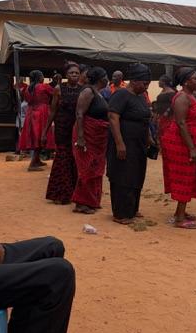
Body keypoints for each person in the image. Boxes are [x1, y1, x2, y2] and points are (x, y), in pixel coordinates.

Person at [163, 68, 196, 229]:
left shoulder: (191, 95)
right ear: (186, 82)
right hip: (182, 142)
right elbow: (181, 123)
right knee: (184, 176)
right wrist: (192, 148)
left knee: (189, 175)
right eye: (195, 78)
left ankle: (179, 212)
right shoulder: (182, 97)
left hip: (190, 140)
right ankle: (179, 220)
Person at [107, 64, 152, 224]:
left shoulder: (141, 96)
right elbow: (113, 117)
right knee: (123, 176)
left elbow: (144, 119)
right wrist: (120, 143)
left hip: (139, 144)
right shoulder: (121, 95)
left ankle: (132, 209)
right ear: (133, 81)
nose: (146, 87)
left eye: (148, 84)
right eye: (144, 83)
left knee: (136, 175)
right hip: (125, 143)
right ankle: (120, 213)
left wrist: (149, 139)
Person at [43, 63, 82, 205]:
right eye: (72, 73)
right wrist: (45, 131)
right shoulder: (59, 89)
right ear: (66, 75)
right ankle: (60, 194)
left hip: (75, 129)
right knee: (62, 159)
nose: (74, 75)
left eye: (77, 73)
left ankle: (74, 193)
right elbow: (52, 111)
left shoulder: (83, 90)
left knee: (75, 159)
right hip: (62, 128)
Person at [72, 67, 110, 214]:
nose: (108, 79)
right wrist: (81, 137)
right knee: (87, 168)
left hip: (98, 137)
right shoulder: (88, 91)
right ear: (101, 78)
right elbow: (79, 113)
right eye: (106, 76)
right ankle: (81, 203)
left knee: (95, 168)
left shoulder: (98, 93)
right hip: (87, 135)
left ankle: (92, 200)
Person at [18, 71, 55, 172]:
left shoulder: (27, 89)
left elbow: (26, 100)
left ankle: (37, 160)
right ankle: (32, 164)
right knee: (40, 137)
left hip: (31, 112)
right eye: (42, 76)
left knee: (35, 137)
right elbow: (55, 94)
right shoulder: (44, 87)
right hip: (42, 112)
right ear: (40, 78)